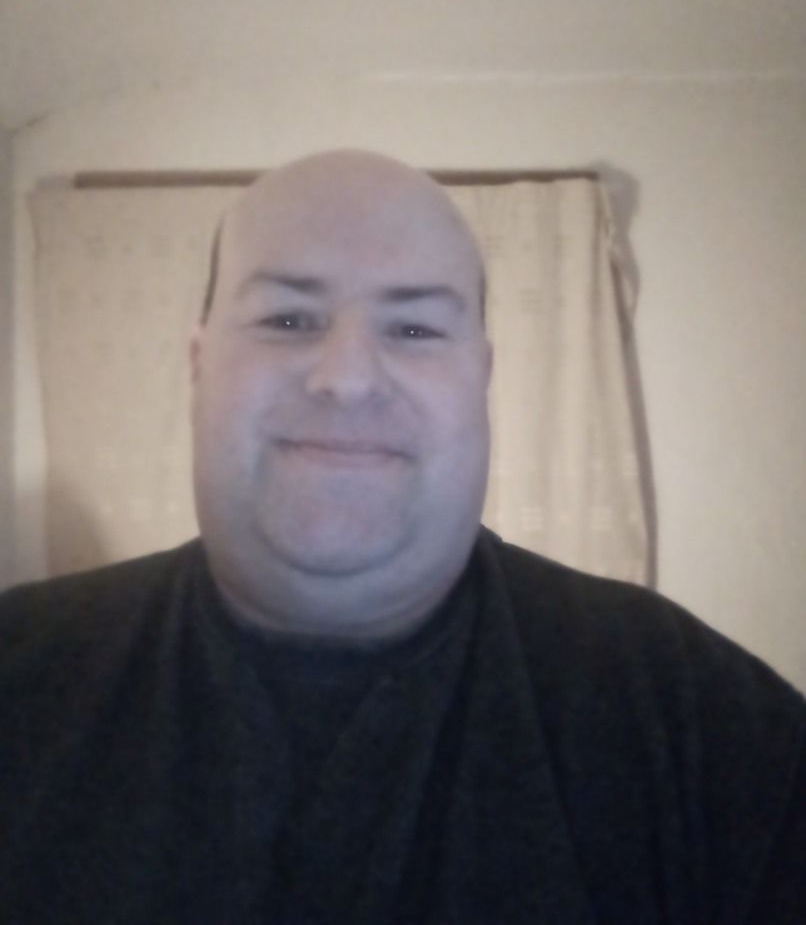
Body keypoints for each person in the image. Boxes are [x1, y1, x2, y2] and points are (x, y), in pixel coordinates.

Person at [1, 150, 804, 924]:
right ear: (198, 363)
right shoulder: (21, 672)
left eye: (415, 329)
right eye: (287, 318)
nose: (347, 379)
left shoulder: (702, 722)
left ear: (481, 376)